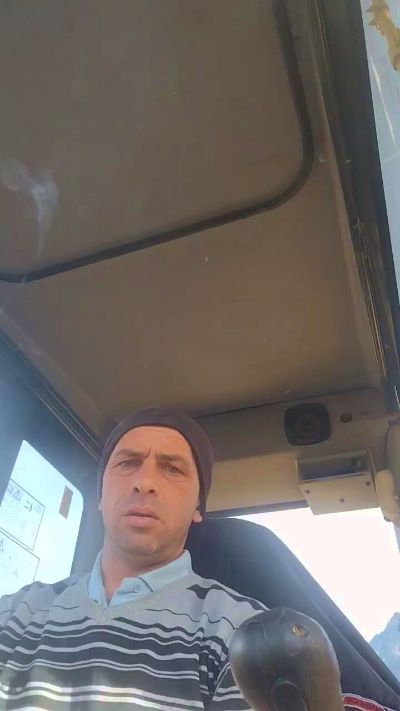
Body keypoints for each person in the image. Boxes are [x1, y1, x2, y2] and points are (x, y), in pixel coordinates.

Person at [0, 407, 266, 710]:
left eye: (172, 469)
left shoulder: (243, 632)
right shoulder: (15, 615)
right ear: (101, 494)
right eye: (128, 463)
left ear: (197, 506)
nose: (144, 482)